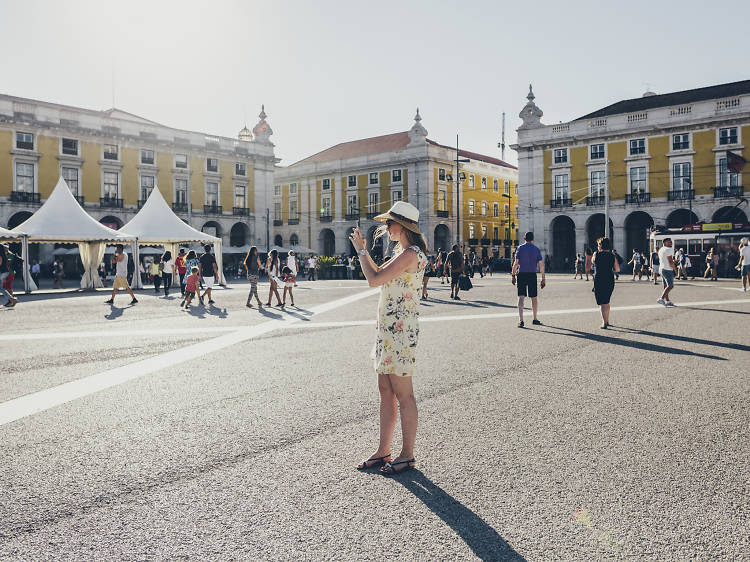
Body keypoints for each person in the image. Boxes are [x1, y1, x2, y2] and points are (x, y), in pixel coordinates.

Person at [350, 201, 428, 476]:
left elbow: (374, 280)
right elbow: (380, 276)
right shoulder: (403, 252)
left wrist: (361, 251)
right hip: (388, 329)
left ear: (403, 226)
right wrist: (365, 253)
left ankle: (407, 454)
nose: (386, 228)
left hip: (400, 332)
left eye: (389, 223)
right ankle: (384, 450)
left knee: (404, 394)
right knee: (385, 391)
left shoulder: (410, 254)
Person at [512, 231, 545, 328]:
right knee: (534, 297)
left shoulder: (520, 248)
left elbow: (516, 263)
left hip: (521, 274)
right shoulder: (536, 249)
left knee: (521, 297)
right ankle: (535, 318)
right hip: (532, 275)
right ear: (533, 239)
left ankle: (521, 321)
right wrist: (543, 278)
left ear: (524, 239)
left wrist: (513, 275)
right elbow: (541, 265)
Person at [592, 237, 619, 329]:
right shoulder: (612, 256)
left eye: (598, 244)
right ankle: (607, 320)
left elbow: (593, 262)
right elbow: (617, 269)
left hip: (599, 279)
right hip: (609, 278)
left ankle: (604, 322)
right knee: (606, 301)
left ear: (600, 245)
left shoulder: (596, 254)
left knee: (602, 302)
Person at [657, 238, 676, 307]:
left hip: (661, 268)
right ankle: (661, 298)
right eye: (669, 242)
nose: (671, 243)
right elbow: (671, 262)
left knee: (665, 286)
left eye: (671, 242)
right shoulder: (668, 249)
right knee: (670, 286)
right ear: (664, 243)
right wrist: (675, 270)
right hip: (667, 269)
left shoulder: (661, 249)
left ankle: (667, 301)